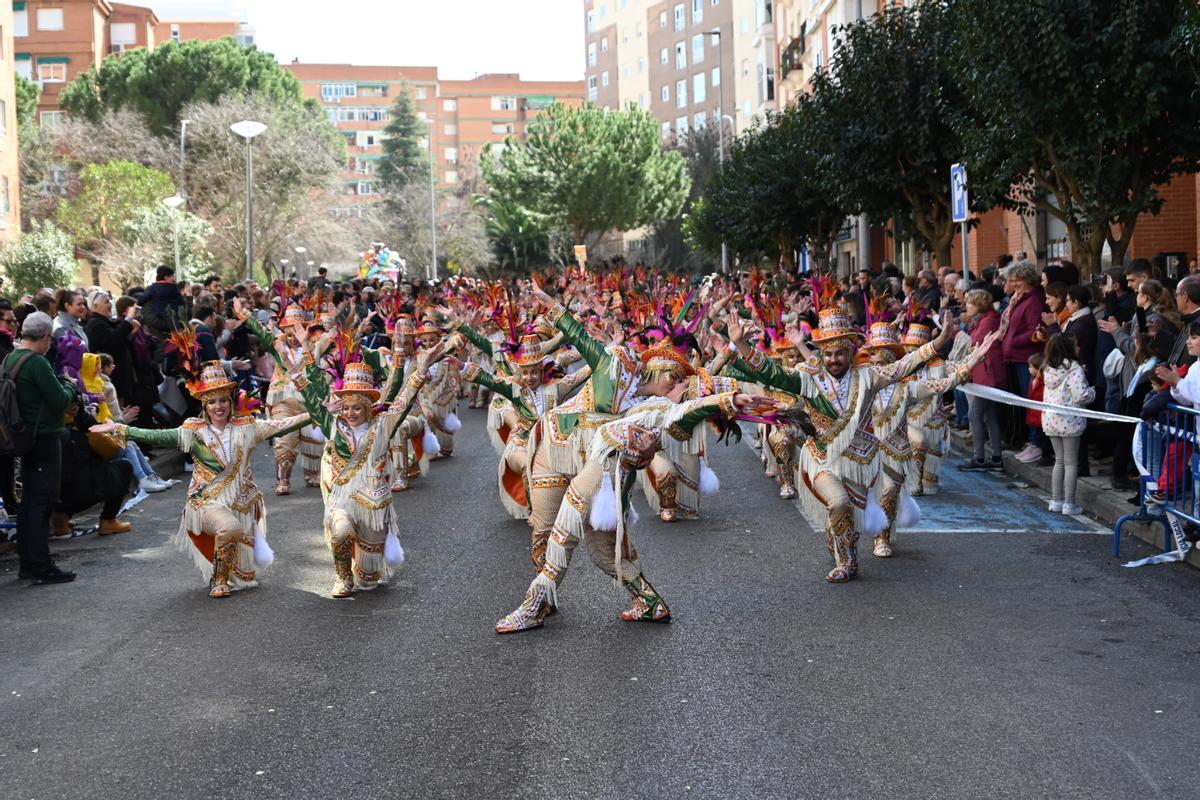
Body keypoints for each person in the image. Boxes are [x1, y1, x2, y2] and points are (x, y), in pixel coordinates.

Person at [725, 307, 954, 582]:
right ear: (822, 354)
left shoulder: (868, 377)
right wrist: (740, 343)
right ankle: (845, 562)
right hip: (821, 458)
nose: (834, 360)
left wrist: (940, 341)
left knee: (850, 514)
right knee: (839, 502)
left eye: (839, 353)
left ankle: (844, 547)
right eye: (828, 354)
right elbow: (774, 374)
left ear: (849, 352)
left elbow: (906, 364)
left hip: (858, 461)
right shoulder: (809, 379)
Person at [93, 362, 309, 598]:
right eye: (212, 401)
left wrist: (319, 413)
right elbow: (158, 435)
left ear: (230, 401)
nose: (219, 406)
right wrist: (121, 428)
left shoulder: (248, 427)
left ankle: (228, 571)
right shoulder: (193, 431)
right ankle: (219, 580)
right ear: (204, 405)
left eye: (223, 400)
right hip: (206, 503)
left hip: (242, 502)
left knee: (245, 572)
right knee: (229, 527)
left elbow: (283, 424)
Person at [7, 312, 77, 584]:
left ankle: (29, 562)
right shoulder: (37, 363)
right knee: (41, 502)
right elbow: (59, 400)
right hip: (44, 438)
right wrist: (70, 388)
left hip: (23, 437)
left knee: (29, 503)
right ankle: (40, 565)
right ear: (46, 337)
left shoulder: (10, 358)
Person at [1041, 334, 1095, 516]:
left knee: (1059, 461)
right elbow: (1081, 396)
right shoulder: (1074, 369)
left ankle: (1056, 500)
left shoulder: (1048, 368)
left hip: (1051, 419)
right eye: (1076, 345)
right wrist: (1092, 392)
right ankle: (1069, 504)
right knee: (1071, 462)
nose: (1079, 348)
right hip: (1070, 420)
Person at [959, 289, 1007, 472]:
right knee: (990, 416)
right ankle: (996, 457)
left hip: (988, 375)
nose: (966, 306)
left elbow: (975, 344)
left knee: (974, 415)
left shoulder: (988, 321)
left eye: (970, 303)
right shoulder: (985, 319)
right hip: (986, 373)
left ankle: (979, 457)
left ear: (979, 304)